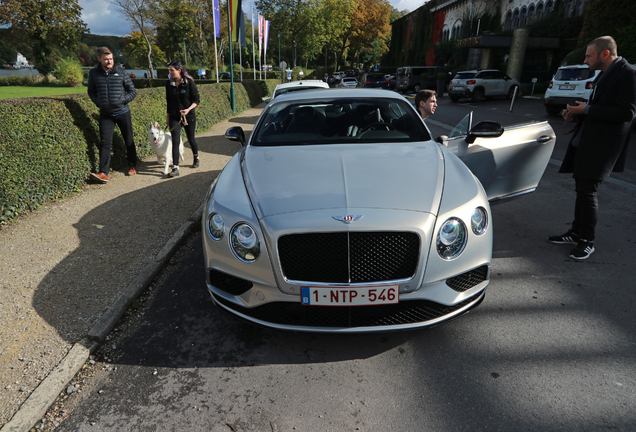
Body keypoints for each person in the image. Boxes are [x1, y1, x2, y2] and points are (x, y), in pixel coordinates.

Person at [548, 36, 636, 259]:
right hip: (588, 141)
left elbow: (627, 113)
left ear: (605, 54)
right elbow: (599, 106)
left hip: (604, 146)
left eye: (589, 55)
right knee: (582, 188)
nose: (585, 60)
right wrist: (577, 113)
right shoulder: (604, 73)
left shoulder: (628, 73)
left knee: (588, 191)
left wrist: (586, 111)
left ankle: (587, 240)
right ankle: (577, 232)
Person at [87, 46, 138, 183]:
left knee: (129, 140)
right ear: (99, 59)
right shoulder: (93, 73)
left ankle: (132, 165)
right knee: (105, 143)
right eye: (106, 59)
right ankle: (103, 172)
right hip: (105, 114)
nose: (109, 61)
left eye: (111, 59)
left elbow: (132, 92)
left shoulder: (121, 72)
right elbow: (91, 91)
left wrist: (122, 100)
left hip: (123, 112)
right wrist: (99, 102)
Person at [165, 60, 201, 177]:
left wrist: (188, 110)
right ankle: (175, 167)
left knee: (191, 139)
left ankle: (196, 157)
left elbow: (196, 100)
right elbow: (169, 102)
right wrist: (168, 117)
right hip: (174, 116)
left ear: (179, 70)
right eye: (169, 70)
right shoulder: (169, 84)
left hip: (188, 116)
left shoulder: (189, 83)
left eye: (172, 70)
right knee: (175, 141)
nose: (170, 73)